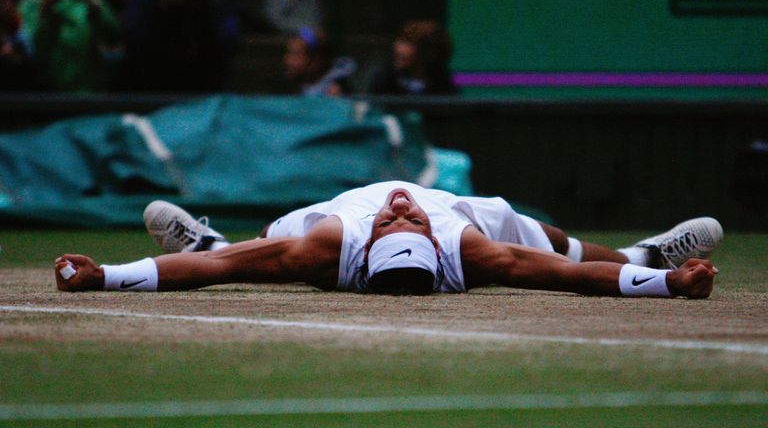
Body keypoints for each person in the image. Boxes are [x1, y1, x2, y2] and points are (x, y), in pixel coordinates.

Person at [55, 181, 722, 298]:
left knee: (254, 246)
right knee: (548, 245)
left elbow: (229, 269)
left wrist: (105, 274)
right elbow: (564, 275)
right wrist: (669, 284)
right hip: (459, 213)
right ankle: (648, 257)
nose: (400, 209)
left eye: (396, 223)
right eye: (402, 223)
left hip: (332, 216)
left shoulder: (329, 245)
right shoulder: (468, 249)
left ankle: (201, 239)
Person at [366, 20, 458, 95]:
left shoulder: (445, 87)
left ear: (430, 53)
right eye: (400, 41)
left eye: (408, 43)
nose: (398, 48)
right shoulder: (384, 79)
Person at [271, 26, 356, 97]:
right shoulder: (286, 88)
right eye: (288, 53)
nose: (287, 60)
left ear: (316, 61)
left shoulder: (336, 94)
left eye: (296, 55)